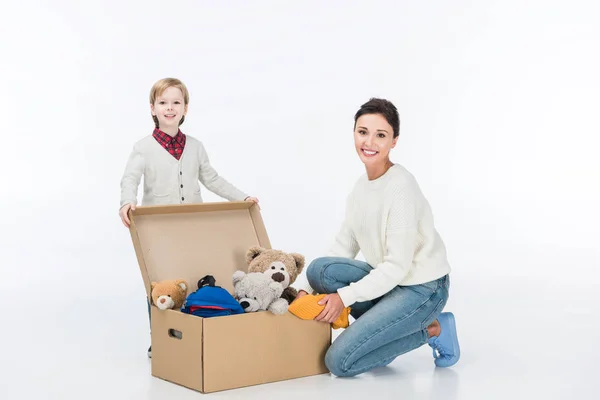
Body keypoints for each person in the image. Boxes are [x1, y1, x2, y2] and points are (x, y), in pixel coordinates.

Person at [293, 98, 460, 377]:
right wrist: (303, 290)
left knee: (339, 362)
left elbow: (397, 266)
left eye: (380, 135)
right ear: (354, 133)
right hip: (390, 283)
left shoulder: (401, 187)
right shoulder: (361, 188)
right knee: (318, 270)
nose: (369, 142)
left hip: (421, 288)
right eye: (363, 132)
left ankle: (434, 328)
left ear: (394, 141)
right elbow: (343, 246)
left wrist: (343, 298)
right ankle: (380, 335)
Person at [119, 77, 259, 357]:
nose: (169, 108)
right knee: (160, 283)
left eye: (176, 102)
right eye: (163, 103)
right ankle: (159, 338)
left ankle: (190, 334)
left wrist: (241, 197)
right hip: (159, 227)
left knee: (191, 275)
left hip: (192, 224)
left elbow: (212, 178)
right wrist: (127, 201)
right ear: (152, 108)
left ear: (185, 108)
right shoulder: (143, 147)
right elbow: (130, 178)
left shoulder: (195, 146)